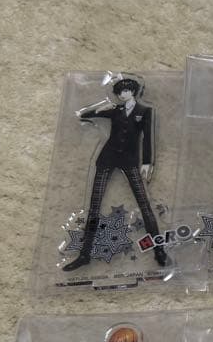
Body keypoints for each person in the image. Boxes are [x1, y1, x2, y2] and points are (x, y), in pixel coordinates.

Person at [63, 77, 167, 271]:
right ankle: (84, 254)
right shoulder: (115, 110)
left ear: (133, 91)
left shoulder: (145, 111)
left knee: (144, 205)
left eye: (125, 91)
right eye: (119, 92)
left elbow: (147, 139)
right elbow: (83, 115)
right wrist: (96, 110)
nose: (121, 95)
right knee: (94, 206)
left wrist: (147, 162)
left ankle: (159, 249)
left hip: (130, 161)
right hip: (107, 159)